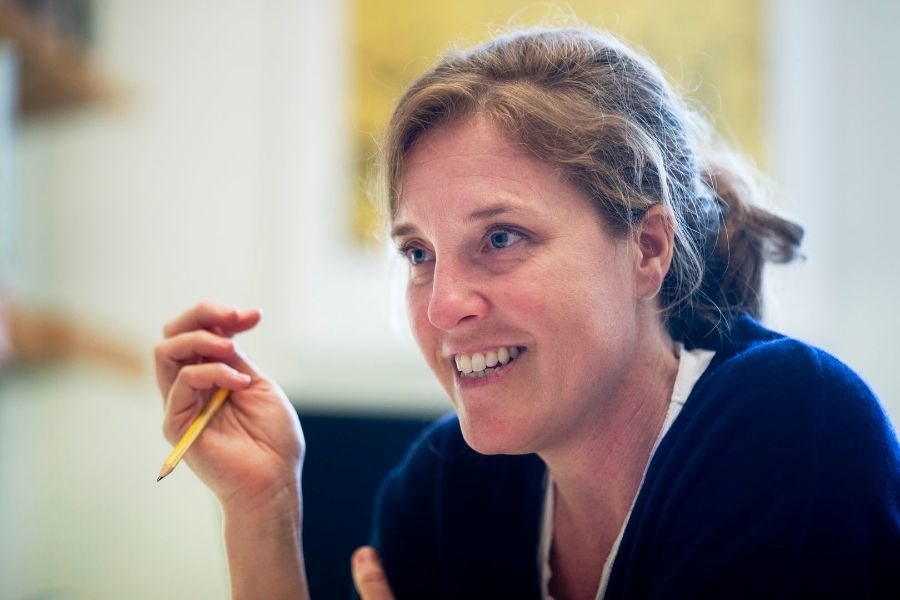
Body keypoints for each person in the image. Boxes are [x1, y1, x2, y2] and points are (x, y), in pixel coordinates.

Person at [154, 27, 900, 599]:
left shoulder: (795, 427)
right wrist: (264, 509)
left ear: (646, 248)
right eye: (419, 254)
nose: (445, 307)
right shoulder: (445, 491)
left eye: (501, 239)